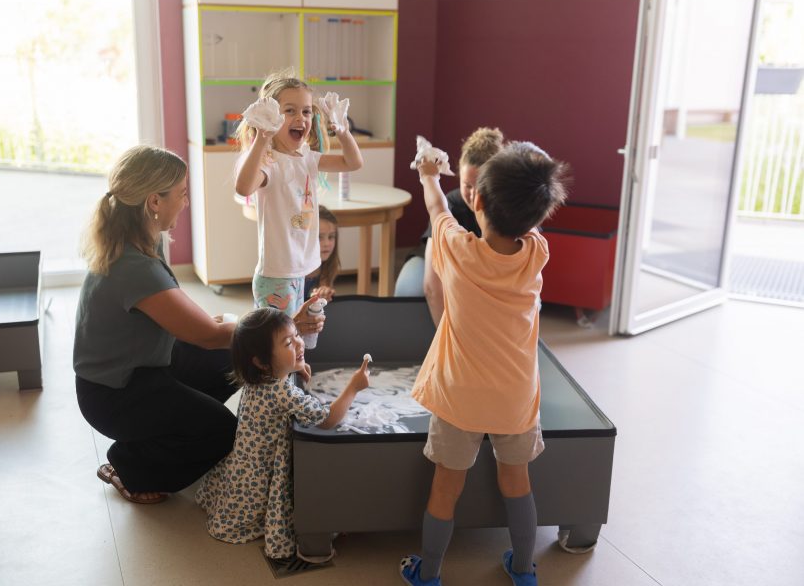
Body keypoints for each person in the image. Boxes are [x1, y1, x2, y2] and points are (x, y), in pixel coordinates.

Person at [73, 145, 324, 505]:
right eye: (182, 194)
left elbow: (190, 319)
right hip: (113, 393)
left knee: (232, 361)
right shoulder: (134, 266)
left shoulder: (143, 240)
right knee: (221, 431)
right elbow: (207, 335)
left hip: (145, 364)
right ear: (153, 202)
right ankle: (128, 465)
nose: (186, 201)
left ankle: (157, 437)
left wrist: (247, 327)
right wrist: (284, 331)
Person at [399, 141, 568, 586]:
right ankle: (524, 568)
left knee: (445, 487)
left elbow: (438, 209)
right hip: (514, 398)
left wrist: (430, 175)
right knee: (517, 481)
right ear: (538, 216)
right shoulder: (537, 253)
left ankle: (430, 573)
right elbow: (527, 212)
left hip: (459, 396)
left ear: (474, 199)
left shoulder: (458, 250)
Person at [196, 307, 370, 561]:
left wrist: (293, 366)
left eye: (297, 335)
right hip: (258, 479)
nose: (299, 343)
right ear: (262, 361)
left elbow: (282, 379)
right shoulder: (281, 393)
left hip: (243, 467)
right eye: (288, 342)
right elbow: (328, 419)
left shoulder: (257, 378)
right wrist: (353, 387)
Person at [235, 69, 363, 316]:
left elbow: (353, 163)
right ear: (270, 116)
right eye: (289, 111)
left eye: (306, 111)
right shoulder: (268, 161)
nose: (301, 118)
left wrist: (343, 131)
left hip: (300, 270)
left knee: (296, 340)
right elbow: (243, 187)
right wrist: (262, 138)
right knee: (277, 343)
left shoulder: (307, 158)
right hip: (276, 275)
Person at [394, 127, 505, 326]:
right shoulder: (450, 206)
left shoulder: (510, 212)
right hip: (440, 262)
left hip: (481, 268)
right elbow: (432, 285)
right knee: (408, 290)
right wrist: (448, 340)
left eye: (481, 186)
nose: (473, 195)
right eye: (467, 185)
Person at [303, 205, 341, 301]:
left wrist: (325, 292)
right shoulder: (292, 269)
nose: (327, 244)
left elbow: (321, 298)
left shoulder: (327, 266)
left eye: (331, 237)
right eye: (319, 237)